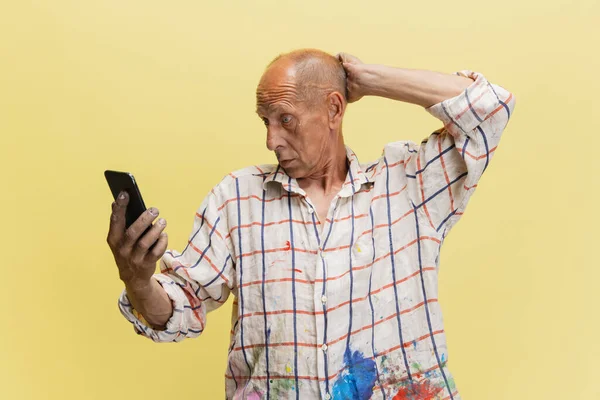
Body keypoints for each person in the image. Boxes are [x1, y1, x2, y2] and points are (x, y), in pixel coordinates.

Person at [106, 49, 515, 400]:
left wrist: (369, 79)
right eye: (264, 121)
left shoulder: (408, 185)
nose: (271, 139)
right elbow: (184, 307)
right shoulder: (237, 197)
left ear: (334, 109)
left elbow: (489, 108)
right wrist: (138, 280)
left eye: (285, 119)